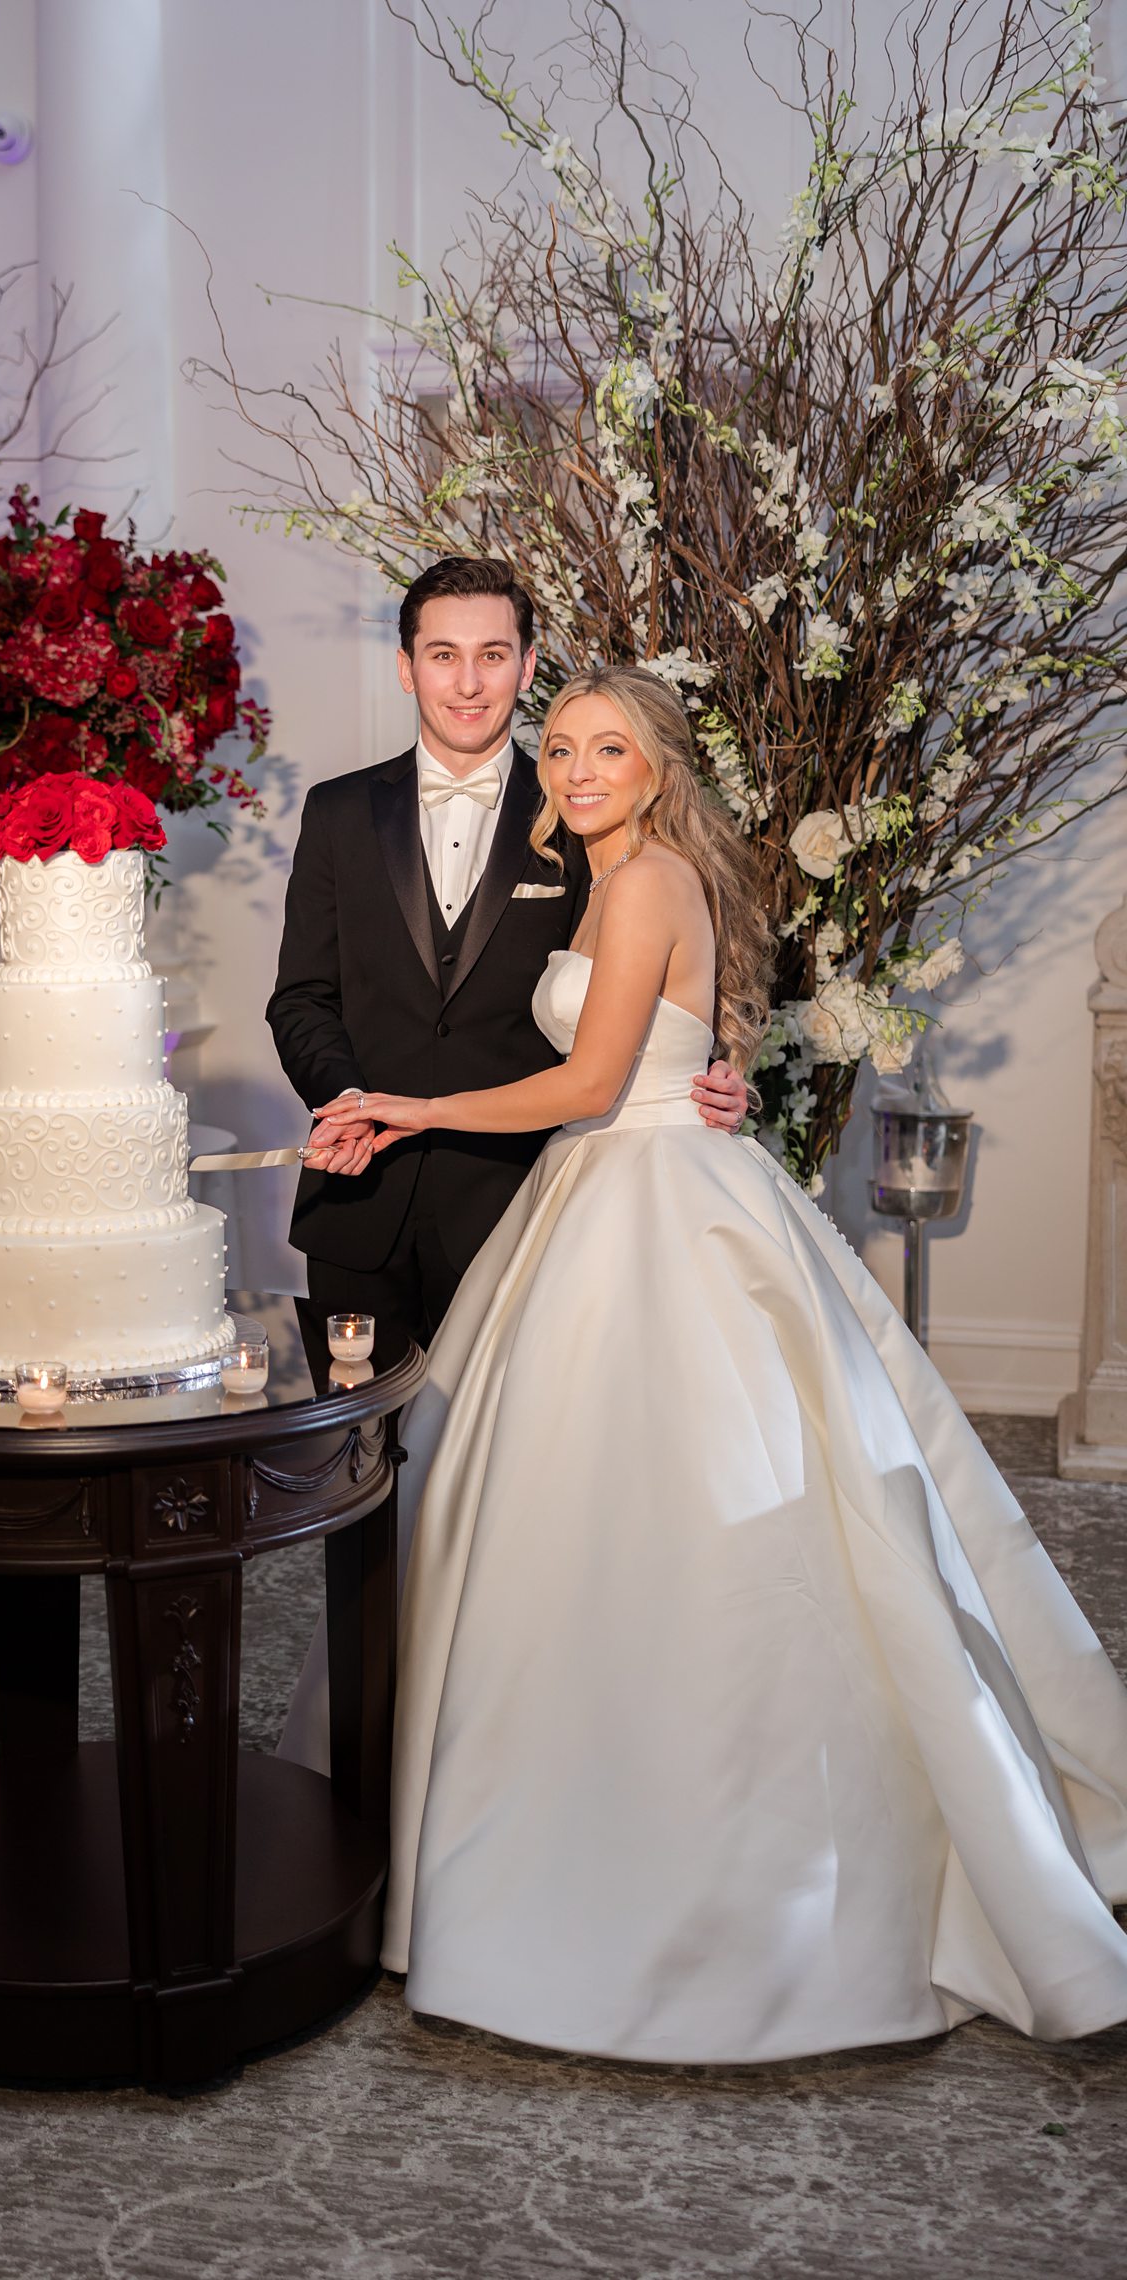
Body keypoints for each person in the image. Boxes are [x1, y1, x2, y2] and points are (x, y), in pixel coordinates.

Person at [304, 663, 1127, 2064]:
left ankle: (650, 1882)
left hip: (643, 1204)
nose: (573, 771)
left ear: (658, 765)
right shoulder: (641, 879)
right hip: (629, 1183)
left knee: (651, 1518)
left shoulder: (641, 883)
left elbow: (585, 1080)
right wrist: (722, 1067)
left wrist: (405, 1107)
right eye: (558, 748)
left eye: (605, 749)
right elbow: (708, 1038)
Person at [266, 555, 747, 1384]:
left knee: (490, 1482)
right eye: (443, 654)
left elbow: (656, 985)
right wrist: (346, 1099)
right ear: (406, 666)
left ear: (527, 666)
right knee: (353, 1476)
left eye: (492, 654)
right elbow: (302, 997)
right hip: (358, 1208)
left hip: (517, 1208)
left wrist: (724, 1072)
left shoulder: (589, 811)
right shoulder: (337, 812)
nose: (467, 682)